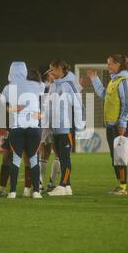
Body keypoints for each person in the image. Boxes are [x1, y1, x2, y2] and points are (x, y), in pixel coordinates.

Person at [87, 54, 128, 195]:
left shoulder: (124, 81)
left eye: (110, 64)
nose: (108, 67)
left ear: (119, 65)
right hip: (111, 125)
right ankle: (121, 184)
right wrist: (94, 79)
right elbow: (103, 94)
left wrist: (123, 123)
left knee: (120, 155)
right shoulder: (113, 81)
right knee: (115, 156)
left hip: (120, 124)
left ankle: (123, 187)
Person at [1, 62, 45, 199]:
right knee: (33, 159)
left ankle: (12, 192)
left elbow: (3, 102)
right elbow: (43, 87)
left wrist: (12, 108)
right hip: (34, 128)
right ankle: (36, 191)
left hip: (17, 128)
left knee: (15, 159)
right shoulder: (37, 86)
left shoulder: (8, 88)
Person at [47, 59, 85, 196]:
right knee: (61, 157)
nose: (50, 72)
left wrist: (80, 127)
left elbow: (79, 105)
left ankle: (63, 185)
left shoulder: (68, 84)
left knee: (65, 157)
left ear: (60, 69)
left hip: (66, 128)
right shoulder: (54, 85)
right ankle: (67, 186)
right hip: (55, 128)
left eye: (52, 69)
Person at [39, 69, 61, 192]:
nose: (50, 75)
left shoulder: (59, 86)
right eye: (49, 74)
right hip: (47, 123)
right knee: (45, 152)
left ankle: (52, 183)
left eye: (51, 73)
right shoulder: (45, 87)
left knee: (57, 153)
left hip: (57, 122)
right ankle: (41, 183)